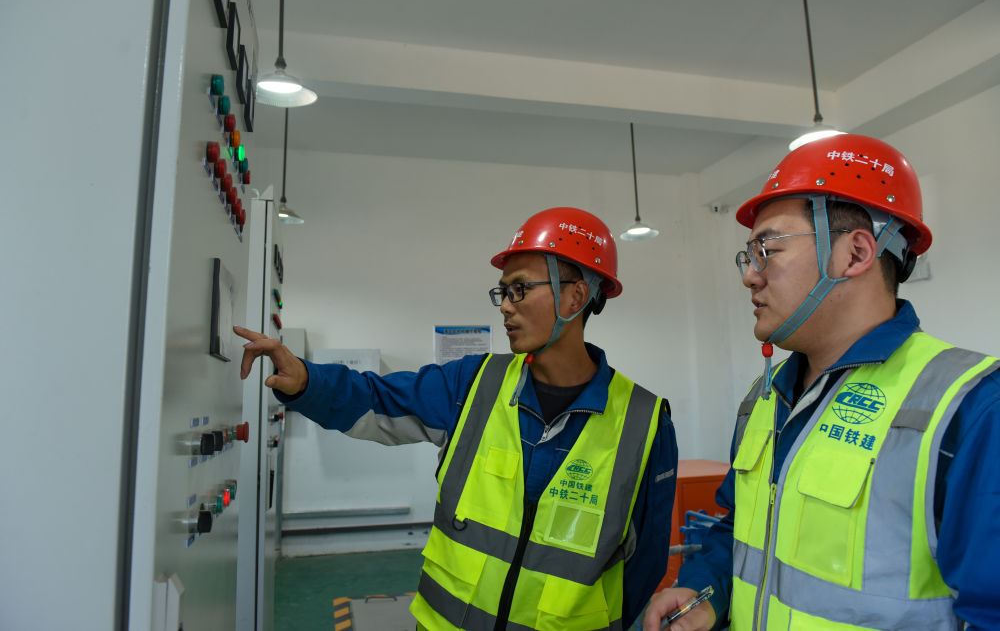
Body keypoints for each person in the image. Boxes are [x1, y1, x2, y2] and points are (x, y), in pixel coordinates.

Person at [236, 206, 678, 630]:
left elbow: (642, 565)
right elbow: (377, 397)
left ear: (576, 296)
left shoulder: (645, 422)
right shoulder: (473, 385)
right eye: (502, 292)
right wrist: (307, 381)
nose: (505, 306)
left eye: (520, 289)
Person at [644, 134, 1000, 631]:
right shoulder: (764, 398)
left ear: (854, 254)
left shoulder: (971, 406)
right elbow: (742, 528)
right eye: (749, 255)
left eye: (767, 249)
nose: (750, 276)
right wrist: (708, 592)